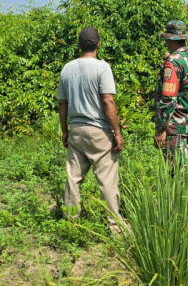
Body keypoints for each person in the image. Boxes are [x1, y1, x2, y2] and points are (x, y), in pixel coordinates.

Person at [57, 26, 125, 232]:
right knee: (107, 180)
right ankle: (116, 227)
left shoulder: (67, 68)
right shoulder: (102, 68)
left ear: (79, 45)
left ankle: (71, 222)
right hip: (98, 132)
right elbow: (108, 101)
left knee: (73, 178)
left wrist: (65, 131)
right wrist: (117, 133)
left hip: (76, 129)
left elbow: (62, 103)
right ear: (98, 45)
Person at [153, 20, 188, 162]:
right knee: (186, 165)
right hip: (187, 119)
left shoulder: (172, 63)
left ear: (169, 38)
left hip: (175, 123)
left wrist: (161, 129)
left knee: (178, 170)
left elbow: (168, 97)